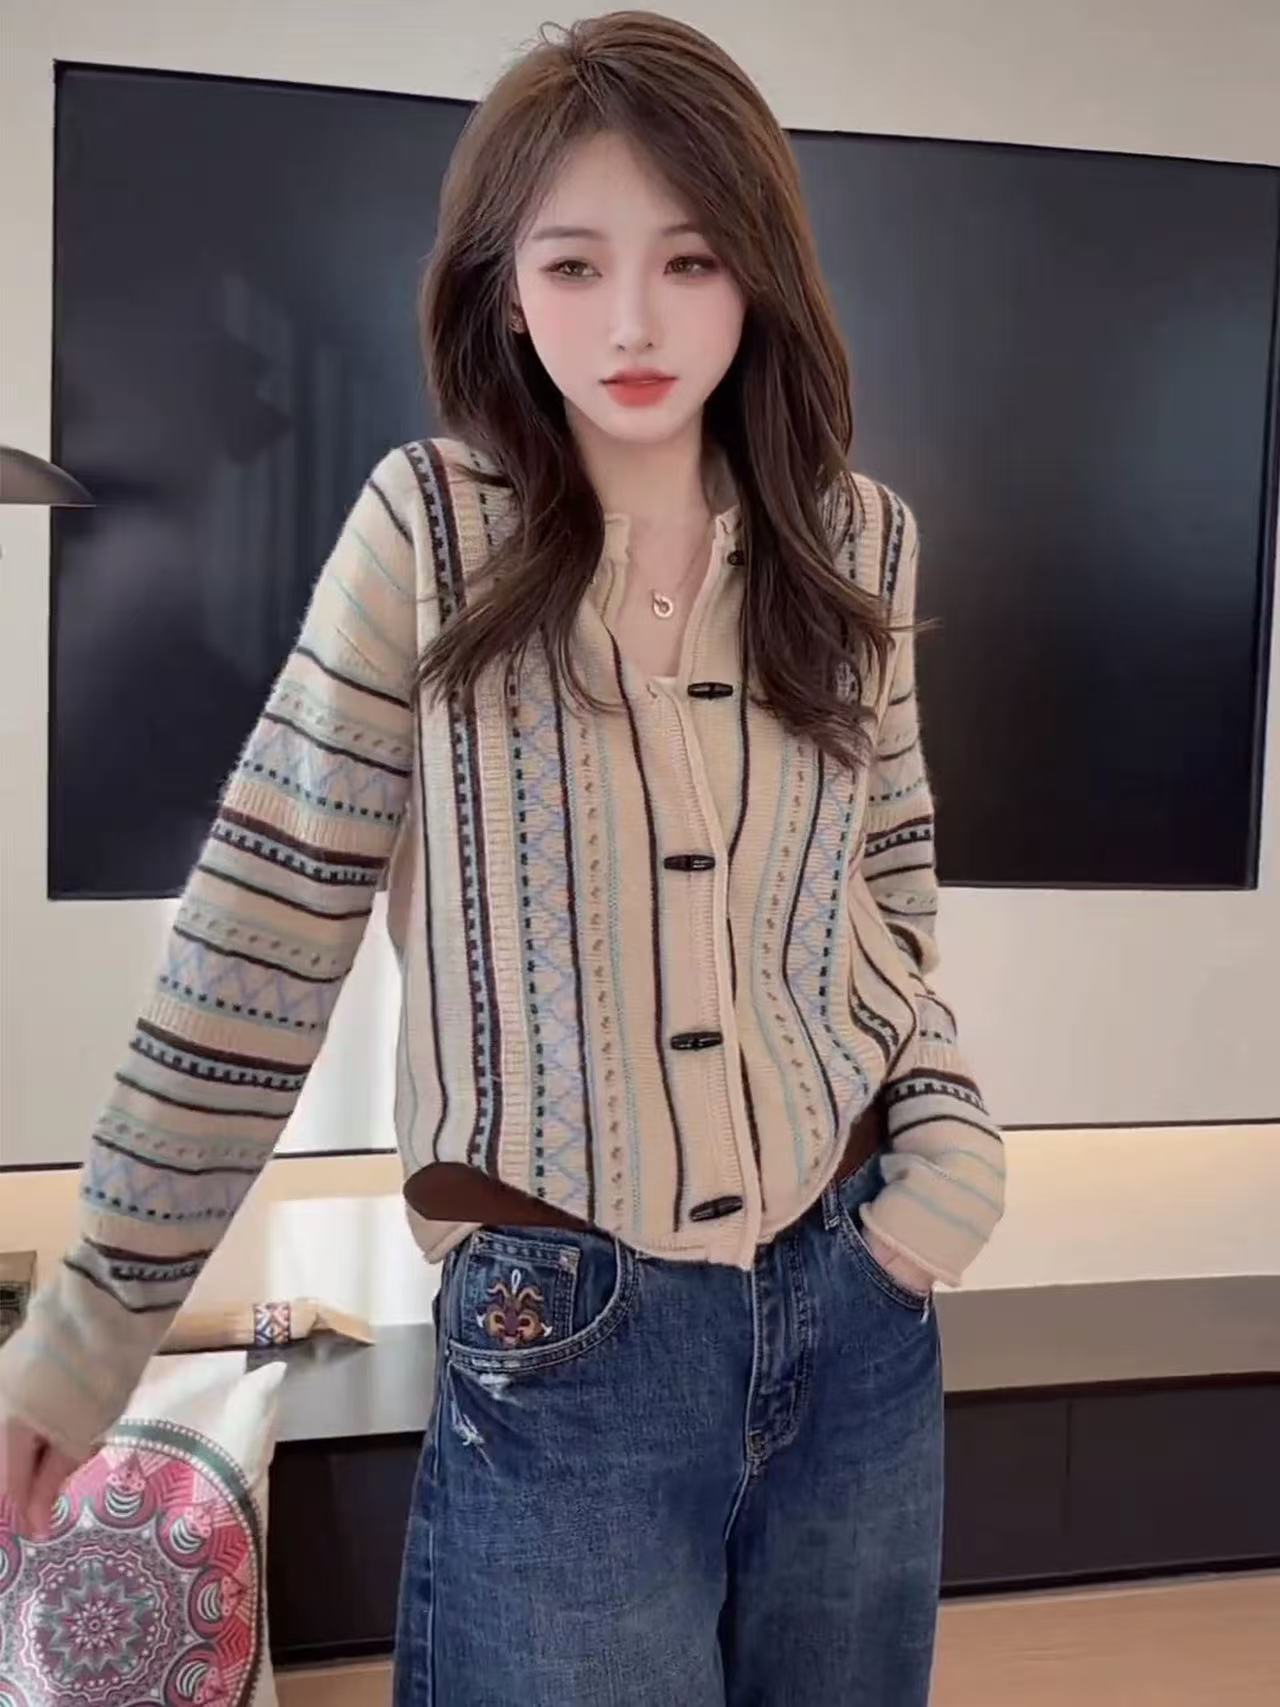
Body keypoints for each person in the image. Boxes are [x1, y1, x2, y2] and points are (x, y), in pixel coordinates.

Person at [0, 12, 1005, 1704]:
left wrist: (945, 1158)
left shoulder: (858, 541)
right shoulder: (428, 533)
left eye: (690, 259)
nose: (633, 322)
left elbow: (888, 899)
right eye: (574, 263)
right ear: (506, 289)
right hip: (566, 1339)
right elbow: (259, 936)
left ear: (758, 275)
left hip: (859, 1311)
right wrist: (90, 1333)